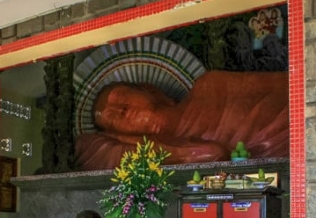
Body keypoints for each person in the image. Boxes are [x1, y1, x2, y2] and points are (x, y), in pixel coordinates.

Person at [74, 70, 289, 170]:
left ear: (150, 90)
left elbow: (293, 82)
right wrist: (134, 141)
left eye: (122, 98)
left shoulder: (212, 86)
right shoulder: (173, 151)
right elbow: (214, 153)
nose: (122, 110)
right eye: (112, 119)